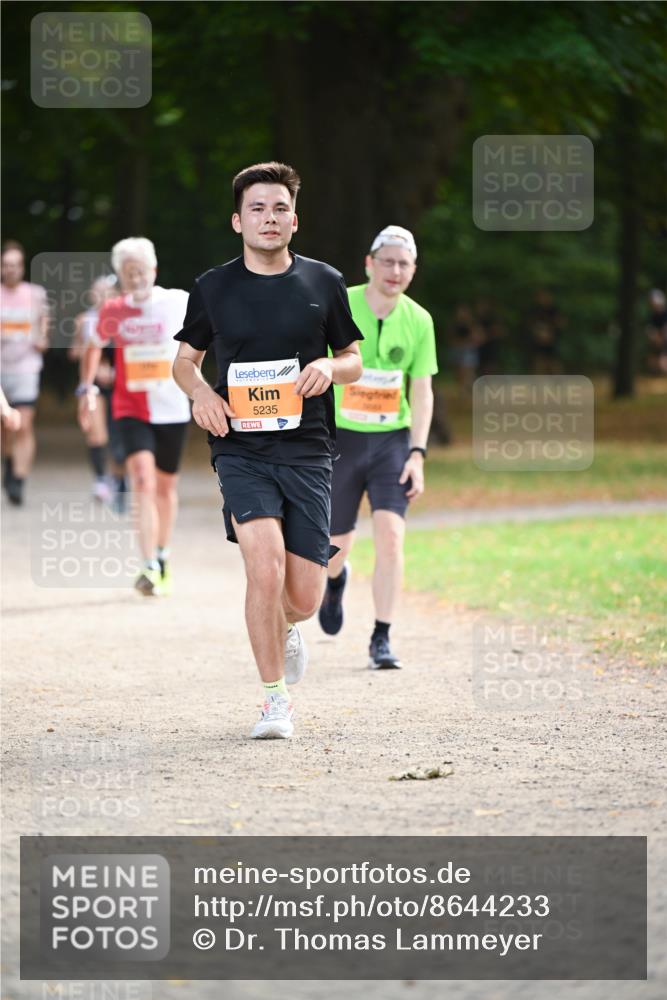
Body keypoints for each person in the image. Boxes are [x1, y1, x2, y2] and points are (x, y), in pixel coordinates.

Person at [172, 161, 362, 740]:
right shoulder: (213, 287)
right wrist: (201, 392)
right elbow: (183, 362)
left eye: (280, 208)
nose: (269, 217)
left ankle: (289, 627)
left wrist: (330, 366)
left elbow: (355, 359)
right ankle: (274, 701)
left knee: (303, 596)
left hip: (307, 448)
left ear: (294, 219)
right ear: (238, 220)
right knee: (263, 564)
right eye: (257, 208)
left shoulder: (323, 282)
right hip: (239, 449)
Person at [318, 225, 437, 669]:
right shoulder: (340, 302)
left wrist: (418, 453)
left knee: (391, 537)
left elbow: (422, 389)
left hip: (392, 442)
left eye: (404, 264)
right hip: (341, 438)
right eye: (386, 261)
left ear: (413, 271)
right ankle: (334, 583)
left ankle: (381, 637)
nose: (395, 270)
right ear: (369, 264)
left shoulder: (420, 320)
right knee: (335, 545)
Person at [78, 237, 190, 595]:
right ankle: (149, 565)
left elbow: (206, 336)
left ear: (153, 270)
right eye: (128, 273)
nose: (136, 278)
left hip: (172, 407)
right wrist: (88, 389)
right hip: (130, 407)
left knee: (165, 486)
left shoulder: (178, 301)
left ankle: (162, 553)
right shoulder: (113, 310)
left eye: (140, 271)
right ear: (120, 277)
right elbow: (93, 346)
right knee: (142, 480)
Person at [69, 275, 126, 505]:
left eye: (108, 292)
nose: (103, 296)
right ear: (92, 295)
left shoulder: (125, 319)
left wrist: (114, 371)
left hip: (121, 384)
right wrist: (88, 350)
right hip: (93, 385)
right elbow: (73, 352)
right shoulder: (84, 320)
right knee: (96, 433)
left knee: (119, 435)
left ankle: (120, 479)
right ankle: (101, 480)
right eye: (98, 291)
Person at [0, 240, 49, 506]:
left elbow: (45, 326)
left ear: (22, 267)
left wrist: (41, 338)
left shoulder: (36, 293)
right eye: (6, 265)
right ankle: (9, 462)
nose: (10, 270)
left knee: (24, 424)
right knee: (5, 429)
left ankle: (18, 480)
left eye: (15, 265)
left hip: (25, 368)